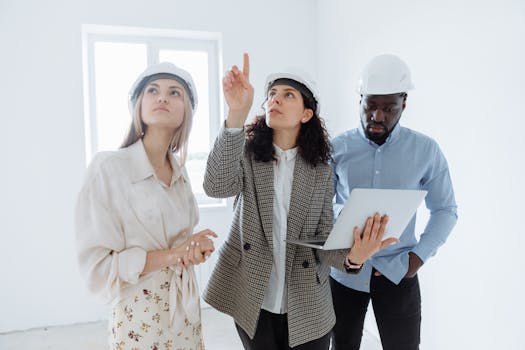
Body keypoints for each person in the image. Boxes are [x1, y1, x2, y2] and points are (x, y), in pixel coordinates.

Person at [202, 53, 397, 350]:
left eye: (288, 95)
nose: (275, 100)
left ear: (306, 114)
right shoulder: (247, 155)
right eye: (271, 95)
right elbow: (216, 187)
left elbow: (322, 243)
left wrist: (355, 256)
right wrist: (236, 115)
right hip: (253, 297)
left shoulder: (320, 171)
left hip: (307, 301)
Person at [75, 62, 217, 349]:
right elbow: (99, 268)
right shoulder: (108, 168)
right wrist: (175, 254)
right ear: (138, 105)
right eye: (153, 90)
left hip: (185, 309)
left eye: (174, 92)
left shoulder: (181, 173)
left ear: (186, 112)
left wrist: (191, 250)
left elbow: (177, 247)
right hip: (138, 315)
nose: (162, 97)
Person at [330, 54, 458, 350]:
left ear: (404, 104)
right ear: (360, 99)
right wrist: (346, 213)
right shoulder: (337, 149)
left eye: (389, 108)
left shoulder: (426, 151)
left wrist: (417, 258)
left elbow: (445, 210)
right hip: (344, 272)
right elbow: (321, 206)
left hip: (398, 270)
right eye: (370, 105)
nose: (377, 116)